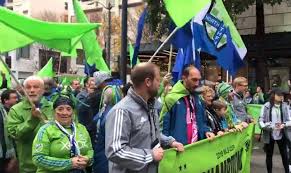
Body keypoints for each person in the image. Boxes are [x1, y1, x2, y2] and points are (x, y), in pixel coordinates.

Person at [105, 62, 184, 173]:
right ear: (148, 82)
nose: (160, 84)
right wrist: (150, 155)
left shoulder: (151, 105)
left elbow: (149, 133)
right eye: (158, 80)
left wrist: (169, 142)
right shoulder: (122, 111)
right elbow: (115, 150)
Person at [32, 96, 93, 173]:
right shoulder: (45, 130)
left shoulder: (81, 128)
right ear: (54, 112)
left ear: (73, 112)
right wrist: (69, 163)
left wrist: (88, 159)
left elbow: (90, 151)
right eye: (60, 109)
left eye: (68, 109)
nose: (64, 113)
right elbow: (38, 158)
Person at [6, 76, 54, 173]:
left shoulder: (54, 108)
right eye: (28, 87)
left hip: (53, 165)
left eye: (36, 87)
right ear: (24, 90)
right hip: (29, 167)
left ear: (43, 90)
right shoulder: (16, 110)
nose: (32, 90)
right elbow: (15, 134)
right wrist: (32, 119)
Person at [160, 66, 215, 145]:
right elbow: (163, 127)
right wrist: (169, 144)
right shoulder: (171, 98)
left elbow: (202, 121)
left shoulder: (198, 98)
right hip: (178, 149)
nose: (197, 83)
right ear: (184, 78)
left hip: (198, 147)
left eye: (199, 80)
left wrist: (206, 131)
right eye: (194, 80)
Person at [258, 89, 291, 173]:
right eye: (279, 95)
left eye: (282, 95)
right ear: (273, 95)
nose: (281, 96)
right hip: (270, 134)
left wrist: (284, 124)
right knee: (269, 155)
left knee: (285, 155)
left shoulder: (284, 106)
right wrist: (267, 126)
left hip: (282, 133)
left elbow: (289, 120)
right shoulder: (266, 106)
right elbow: (261, 120)